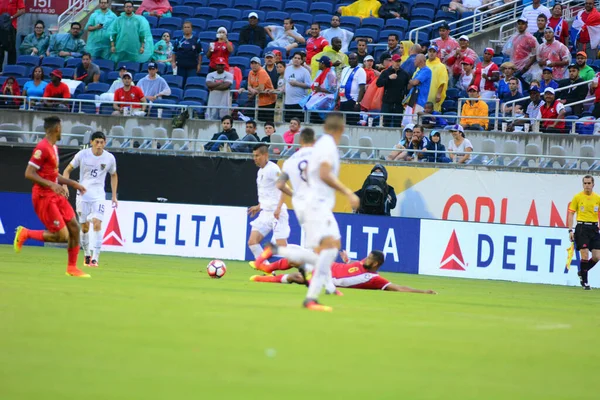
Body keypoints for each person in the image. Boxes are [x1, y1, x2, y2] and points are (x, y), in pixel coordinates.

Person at [257, 113, 360, 312]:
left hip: (304, 204)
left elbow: (280, 183)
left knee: (331, 248)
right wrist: (348, 192)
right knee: (325, 252)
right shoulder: (324, 147)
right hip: (316, 205)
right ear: (342, 129)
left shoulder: (291, 160)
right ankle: (310, 293)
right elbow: (323, 173)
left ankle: (323, 291)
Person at [13, 116, 89, 278]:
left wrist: (72, 183)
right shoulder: (42, 148)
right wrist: (51, 184)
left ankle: (72, 268)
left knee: (74, 227)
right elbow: (29, 173)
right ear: (56, 129)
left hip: (55, 194)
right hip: (43, 196)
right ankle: (25, 233)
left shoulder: (54, 147)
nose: (62, 130)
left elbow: (54, 175)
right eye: (61, 127)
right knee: (62, 236)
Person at [251, 250, 436, 294]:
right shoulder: (362, 264)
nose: (366, 258)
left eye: (370, 258)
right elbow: (351, 267)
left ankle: (261, 278)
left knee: (295, 276)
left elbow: (399, 287)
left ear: (376, 263)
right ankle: (266, 269)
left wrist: (423, 292)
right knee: (294, 258)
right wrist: (347, 259)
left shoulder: (374, 279)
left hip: (326, 278)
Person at [62, 132, 117, 268]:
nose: (99, 145)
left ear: (105, 143)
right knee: (85, 227)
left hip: (98, 195)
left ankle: (95, 258)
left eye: (101, 142)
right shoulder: (82, 155)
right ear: (91, 142)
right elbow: (67, 170)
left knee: (97, 223)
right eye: (96, 142)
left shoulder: (109, 158)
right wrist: (65, 185)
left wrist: (114, 196)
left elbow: (114, 175)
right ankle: (87, 254)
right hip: (83, 194)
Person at [247, 143, 290, 262]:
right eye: (254, 156)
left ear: (265, 155)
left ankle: (307, 258)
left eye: (257, 156)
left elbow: (284, 188)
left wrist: (278, 208)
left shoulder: (273, 169)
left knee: (282, 247)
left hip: (277, 213)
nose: (255, 158)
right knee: (252, 242)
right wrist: (259, 206)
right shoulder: (260, 171)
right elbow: (269, 194)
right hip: (266, 212)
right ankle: (267, 269)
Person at [566, 175, 600, 290]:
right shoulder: (577, 197)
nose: (587, 186)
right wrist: (570, 230)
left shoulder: (597, 198)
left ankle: (582, 271)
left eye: (589, 183)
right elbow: (571, 213)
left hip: (594, 228)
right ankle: (585, 282)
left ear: (593, 184)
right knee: (584, 254)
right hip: (581, 227)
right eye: (585, 183)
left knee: (597, 256)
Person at [300, 56, 338, 122]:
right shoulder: (321, 72)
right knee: (310, 112)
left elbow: (333, 89)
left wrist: (320, 89)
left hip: (326, 98)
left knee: (317, 116)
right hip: (319, 95)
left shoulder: (331, 74)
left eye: (319, 63)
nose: (318, 64)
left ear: (323, 64)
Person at [376, 53, 409, 128]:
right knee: (385, 124)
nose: (398, 63)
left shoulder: (404, 74)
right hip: (387, 103)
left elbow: (407, 87)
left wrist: (406, 99)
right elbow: (378, 83)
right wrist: (388, 78)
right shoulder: (386, 72)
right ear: (392, 62)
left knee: (397, 125)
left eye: (399, 61)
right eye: (396, 61)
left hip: (398, 104)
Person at [403, 54, 432, 126]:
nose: (414, 61)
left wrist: (409, 80)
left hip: (419, 101)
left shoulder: (427, 71)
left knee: (414, 124)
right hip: (411, 101)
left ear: (420, 60)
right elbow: (410, 86)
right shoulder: (418, 71)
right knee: (406, 124)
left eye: (415, 59)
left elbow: (415, 82)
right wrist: (412, 82)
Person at [339, 53, 367, 126]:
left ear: (357, 60)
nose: (351, 60)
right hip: (343, 100)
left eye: (353, 59)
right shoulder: (345, 69)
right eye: (350, 59)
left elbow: (362, 88)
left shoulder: (360, 70)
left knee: (352, 124)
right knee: (342, 124)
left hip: (353, 100)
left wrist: (357, 102)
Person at [246, 56, 277, 122]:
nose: (253, 65)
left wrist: (252, 90)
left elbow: (261, 88)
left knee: (267, 122)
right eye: (252, 63)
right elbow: (248, 86)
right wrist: (253, 91)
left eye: (255, 63)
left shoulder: (262, 72)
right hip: (258, 100)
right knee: (258, 121)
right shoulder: (250, 72)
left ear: (260, 65)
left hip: (268, 101)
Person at [172, 21, 203, 85]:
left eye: (188, 27)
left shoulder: (196, 40)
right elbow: (174, 52)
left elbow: (200, 53)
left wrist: (199, 64)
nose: (186, 29)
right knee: (180, 84)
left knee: (191, 84)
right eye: (185, 27)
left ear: (191, 28)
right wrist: (173, 62)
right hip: (180, 66)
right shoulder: (178, 39)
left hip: (192, 66)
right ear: (183, 29)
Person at [283, 52, 312, 122]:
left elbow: (309, 85)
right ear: (292, 59)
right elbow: (285, 81)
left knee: (299, 123)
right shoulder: (287, 69)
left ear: (302, 61)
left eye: (299, 59)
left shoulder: (305, 71)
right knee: (288, 123)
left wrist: (297, 83)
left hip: (299, 102)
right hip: (287, 102)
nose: (296, 60)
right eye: (295, 58)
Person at [0, 0, 25, 72]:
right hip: (0, 25)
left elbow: (22, 10)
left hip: (11, 26)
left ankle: (11, 71)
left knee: (11, 50)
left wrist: (11, 17)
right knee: (0, 49)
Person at [426, 45, 449, 112]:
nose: (431, 53)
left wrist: (439, 94)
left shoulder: (441, 66)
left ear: (437, 53)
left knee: (433, 111)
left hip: (434, 93)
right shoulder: (424, 64)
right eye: (430, 51)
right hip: (424, 93)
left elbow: (443, 81)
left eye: (434, 51)